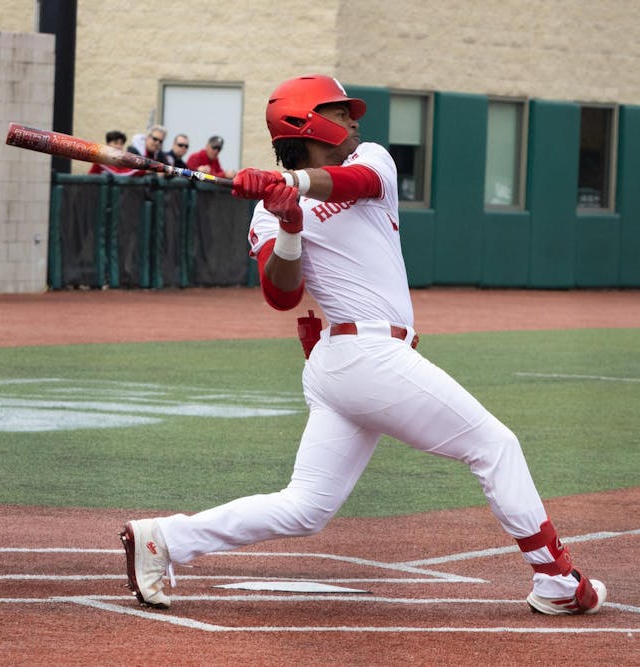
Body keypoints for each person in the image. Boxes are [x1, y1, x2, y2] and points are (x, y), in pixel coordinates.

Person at [119, 74, 607, 616]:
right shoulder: (266, 212)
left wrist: (292, 185)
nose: (353, 120)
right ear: (307, 123)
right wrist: (288, 223)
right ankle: (555, 579)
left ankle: (166, 538)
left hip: (360, 363)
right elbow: (282, 295)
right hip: (358, 354)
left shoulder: (372, 160)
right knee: (495, 446)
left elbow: (354, 184)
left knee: (306, 508)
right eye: (340, 111)